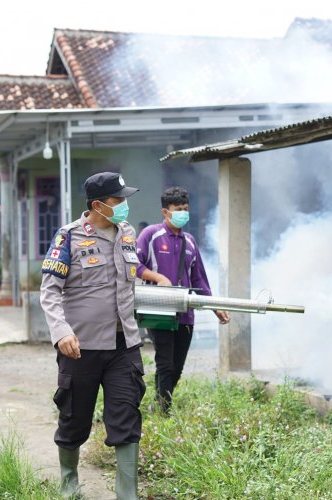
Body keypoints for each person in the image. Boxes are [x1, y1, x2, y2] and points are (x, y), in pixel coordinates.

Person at [39, 172, 145, 499]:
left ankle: (127, 494)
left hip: (124, 345)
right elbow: (50, 292)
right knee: (74, 419)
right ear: (98, 205)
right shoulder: (68, 237)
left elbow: (132, 285)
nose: (124, 205)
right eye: (118, 200)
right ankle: (69, 483)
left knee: (126, 416)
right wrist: (61, 332)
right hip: (80, 348)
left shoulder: (127, 234)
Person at [136, 186, 230, 413]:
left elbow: (200, 280)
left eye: (186, 209)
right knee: (165, 362)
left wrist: (215, 307)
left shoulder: (189, 241)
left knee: (177, 366)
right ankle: (163, 410)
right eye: (178, 209)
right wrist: (158, 277)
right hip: (158, 311)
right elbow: (134, 265)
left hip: (185, 314)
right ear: (165, 212)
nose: (183, 213)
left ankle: (159, 403)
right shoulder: (151, 235)